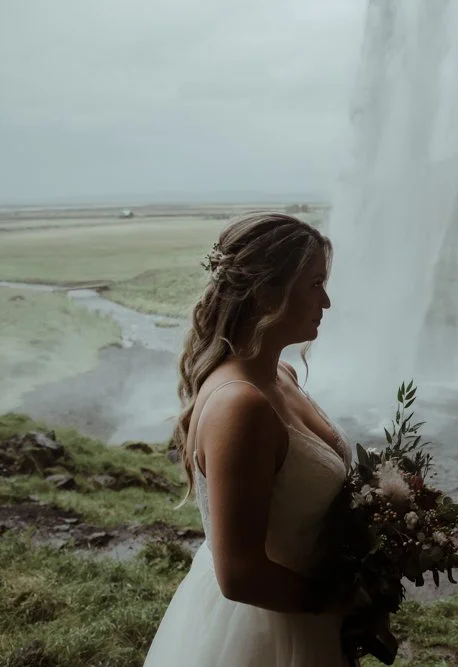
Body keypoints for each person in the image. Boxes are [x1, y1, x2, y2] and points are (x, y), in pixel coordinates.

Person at [143, 212, 356, 666]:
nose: (328, 302)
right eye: (315, 284)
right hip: (265, 629)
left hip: (304, 609)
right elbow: (239, 574)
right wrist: (345, 600)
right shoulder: (240, 406)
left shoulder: (281, 374)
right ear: (266, 292)